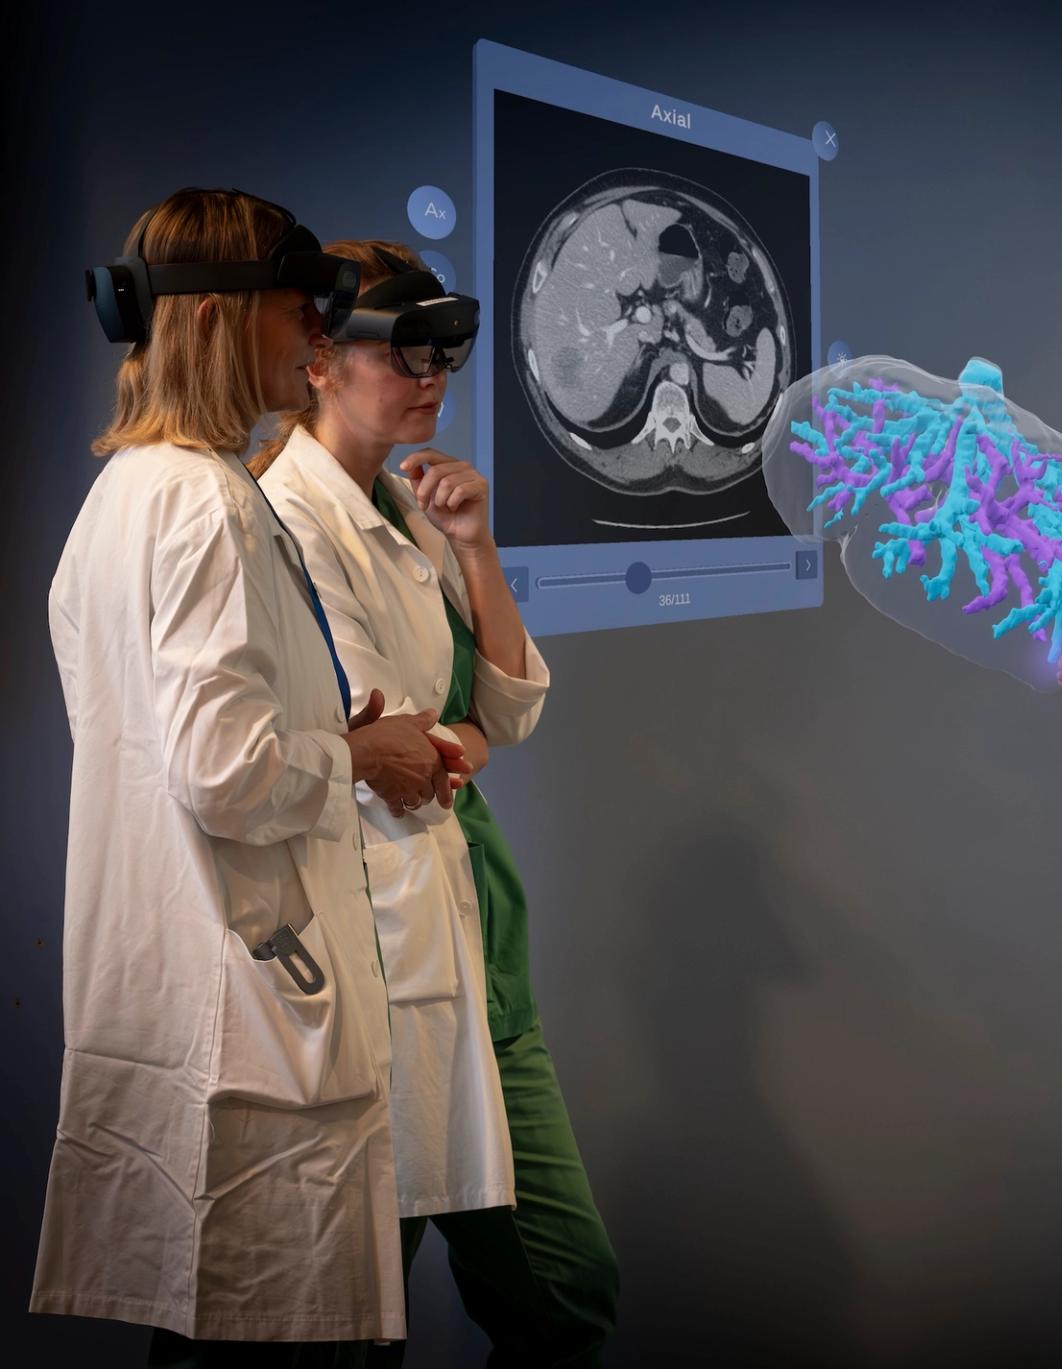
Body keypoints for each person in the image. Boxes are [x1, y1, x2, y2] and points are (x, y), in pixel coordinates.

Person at [35, 188, 468, 1363]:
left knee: (204, 1322)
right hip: (257, 1002)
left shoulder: (122, 496)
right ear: (215, 316)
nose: (318, 339)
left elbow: (159, 738)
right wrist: (364, 752)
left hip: (186, 981)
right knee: (271, 1332)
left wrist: (325, 727)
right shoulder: (210, 502)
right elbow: (224, 775)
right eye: (299, 310)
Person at [254, 241, 619, 1366]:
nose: (432, 374)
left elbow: (507, 710)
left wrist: (476, 547)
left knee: (565, 1290)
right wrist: (428, 743)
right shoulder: (281, 520)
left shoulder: (411, 509)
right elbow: (396, 756)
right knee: (344, 1319)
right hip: (365, 959)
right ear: (318, 358)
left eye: (444, 350)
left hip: (474, 943)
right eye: (403, 349)